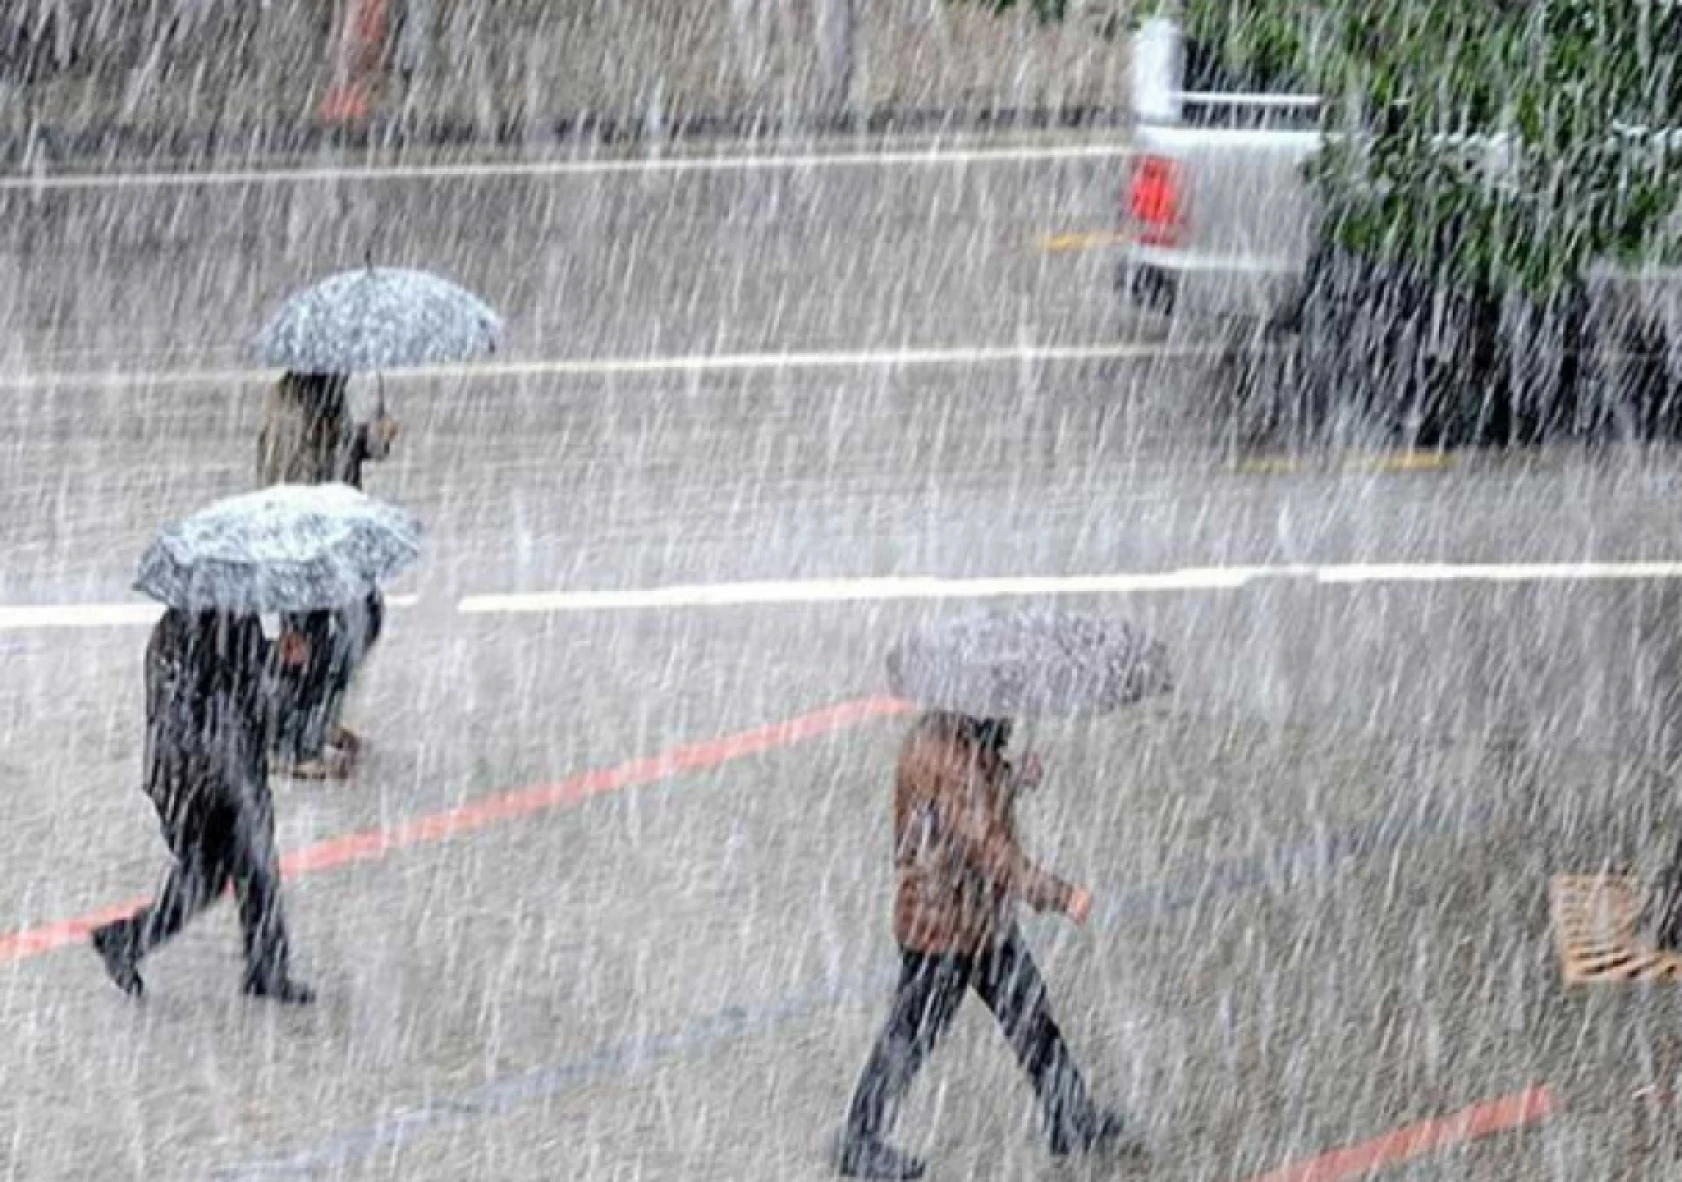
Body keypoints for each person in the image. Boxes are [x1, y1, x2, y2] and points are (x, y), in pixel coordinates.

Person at [837, 713, 1135, 1180]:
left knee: (1030, 1015)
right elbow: (992, 850)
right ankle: (860, 1140)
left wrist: (1013, 779)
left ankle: (1069, 1114)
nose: (1013, 720)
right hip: (942, 932)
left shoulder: (955, 740)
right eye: (1004, 714)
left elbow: (962, 813)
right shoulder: (953, 759)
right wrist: (1061, 895)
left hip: (977, 920)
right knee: (910, 1036)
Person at [89, 608, 315, 1004]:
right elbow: (243, 699)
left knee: (232, 870)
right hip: (208, 776)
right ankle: (130, 940)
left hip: (200, 773)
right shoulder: (210, 629)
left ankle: (261, 965)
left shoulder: (203, 624)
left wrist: (278, 660)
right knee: (239, 867)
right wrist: (282, 663)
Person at [257, 370, 399, 779]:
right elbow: (298, 483)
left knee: (356, 619)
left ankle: (314, 716)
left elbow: (337, 451)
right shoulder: (294, 411)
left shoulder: (324, 394)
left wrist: (372, 439)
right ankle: (290, 741)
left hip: (331, 537)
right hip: (307, 544)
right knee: (316, 636)